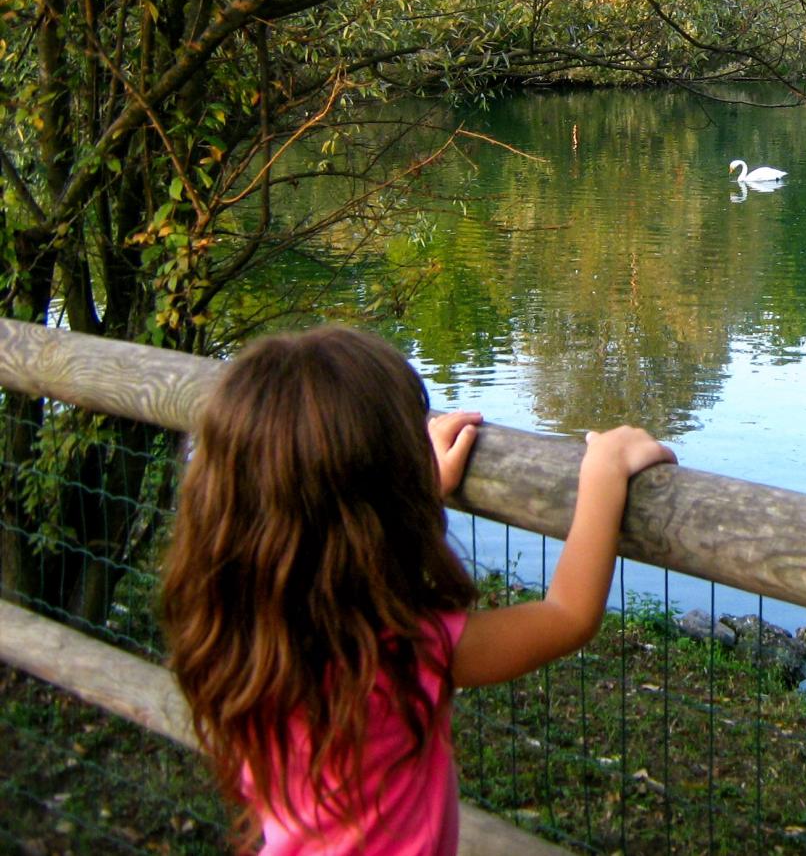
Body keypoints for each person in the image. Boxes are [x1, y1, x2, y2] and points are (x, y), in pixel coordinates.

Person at [160, 326, 674, 854]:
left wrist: (420, 492)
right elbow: (568, 614)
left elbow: (332, 539)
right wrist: (603, 476)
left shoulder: (243, 639)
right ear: (384, 497)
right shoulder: (402, 654)